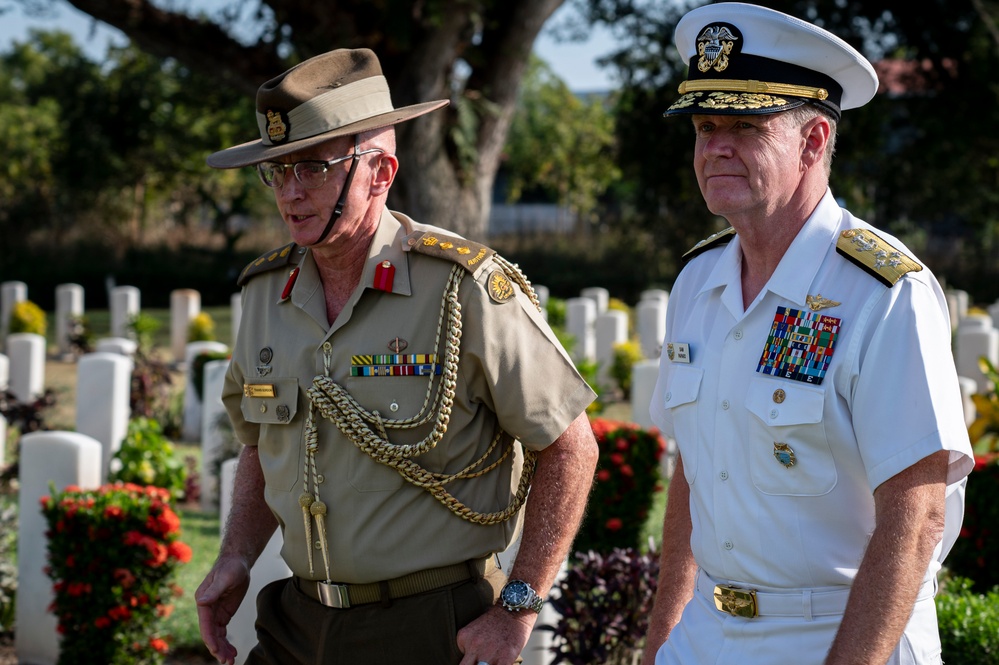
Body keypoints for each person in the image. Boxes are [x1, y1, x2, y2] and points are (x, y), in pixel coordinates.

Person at [194, 48, 599, 665]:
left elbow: (570, 445)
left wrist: (518, 606)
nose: (291, 192)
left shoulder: (463, 288)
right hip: (296, 621)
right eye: (277, 171)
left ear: (380, 174)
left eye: (312, 167)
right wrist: (235, 557)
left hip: (430, 625)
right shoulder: (264, 294)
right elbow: (260, 444)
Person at [643, 4, 974, 665]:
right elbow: (693, 478)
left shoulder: (882, 293)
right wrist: (661, 641)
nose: (714, 147)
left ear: (814, 140)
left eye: (743, 124)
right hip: (707, 632)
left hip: (842, 633)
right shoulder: (697, 283)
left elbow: (915, 518)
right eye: (705, 126)